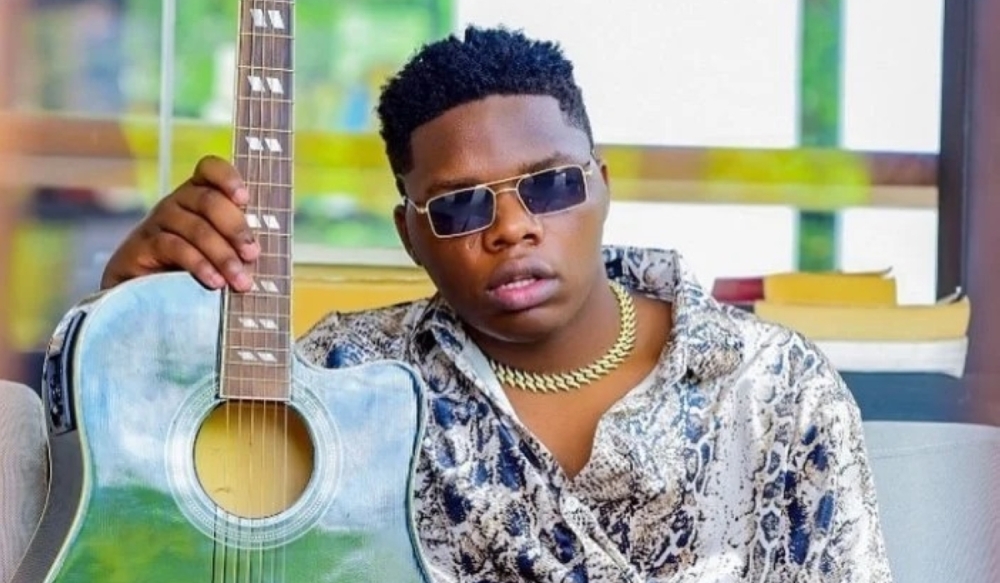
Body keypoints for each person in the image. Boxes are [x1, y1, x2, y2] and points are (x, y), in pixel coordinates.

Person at [100, 26, 892, 582]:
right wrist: (129, 316)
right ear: (410, 235)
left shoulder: (773, 385)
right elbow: (172, 524)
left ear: (602, 186)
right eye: (460, 205)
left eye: (550, 185)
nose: (512, 226)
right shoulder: (344, 378)